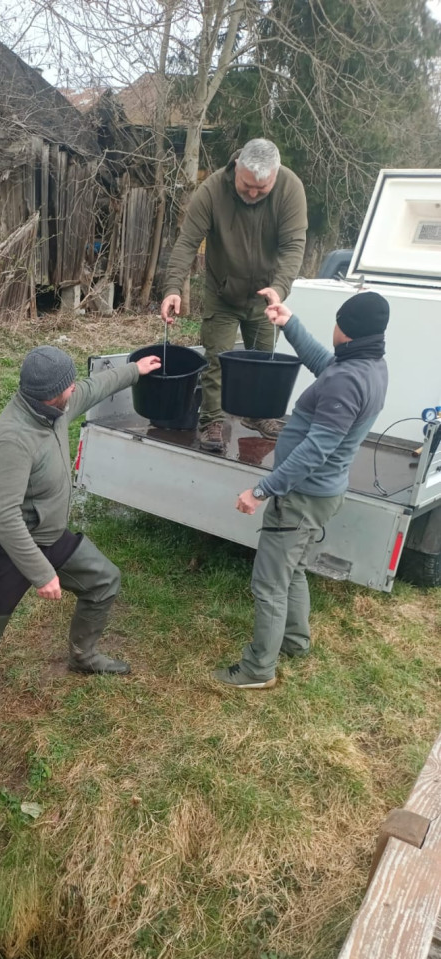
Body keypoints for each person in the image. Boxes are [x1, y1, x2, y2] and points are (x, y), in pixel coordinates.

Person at [0, 345, 161, 750]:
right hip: (0, 552)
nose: (74, 388)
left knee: (104, 581)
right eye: (68, 386)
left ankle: (83, 655)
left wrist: (134, 370)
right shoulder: (11, 440)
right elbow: (2, 518)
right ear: (49, 395)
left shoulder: (54, 408)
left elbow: (91, 389)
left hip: (46, 534)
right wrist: (42, 574)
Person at [212, 289, 389, 688]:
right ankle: (295, 641)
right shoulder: (370, 365)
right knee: (292, 571)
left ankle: (258, 669)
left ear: (345, 329)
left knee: (269, 584)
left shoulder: (348, 380)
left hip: (302, 497)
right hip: (324, 494)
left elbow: (315, 451)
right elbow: (324, 365)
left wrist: (261, 490)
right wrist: (288, 323)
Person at [160, 138, 308, 453]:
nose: (253, 194)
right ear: (237, 167)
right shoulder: (212, 191)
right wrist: (172, 288)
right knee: (217, 358)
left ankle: (259, 415)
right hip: (222, 293)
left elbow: (294, 246)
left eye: (262, 189)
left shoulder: (290, 189)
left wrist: (279, 288)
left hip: (265, 294)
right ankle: (212, 421)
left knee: (264, 359)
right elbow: (187, 242)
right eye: (246, 186)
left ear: (276, 175)